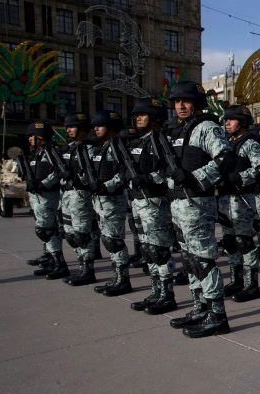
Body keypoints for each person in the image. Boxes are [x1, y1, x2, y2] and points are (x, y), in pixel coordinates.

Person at [164, 81, 235, 338]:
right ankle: (200, 307)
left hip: (197, 203)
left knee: (204, 260)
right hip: (179, 203)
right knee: (191, 260)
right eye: (177, 101)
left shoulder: (206, 127)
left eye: (186, 101)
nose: (181, 106)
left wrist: (196, 177)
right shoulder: (178, 131)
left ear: (196, 103)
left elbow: (226, 157)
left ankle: (218, 315)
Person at [126, 98, 178, 314]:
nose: (138, 118)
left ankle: (167, 295)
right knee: (147, 250)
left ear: (155, 117)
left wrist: (149, 178)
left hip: (155, 202)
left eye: (143, 114)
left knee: (159, 250)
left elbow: (169, 171)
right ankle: (156, 291)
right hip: (139, 200)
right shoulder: (139, 142)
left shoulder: (161, 141)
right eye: (137, 114)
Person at [218, 104, 260, 303]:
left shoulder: (250, 144)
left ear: (243, 122)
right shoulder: (227, 143)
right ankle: (236, 280)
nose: (227, 123)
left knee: (244, 242)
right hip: (225, 199)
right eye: (226, 119)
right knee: (230, 242)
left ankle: (251, 284)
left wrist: (240, 178)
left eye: (231, 119)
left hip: (242, 200)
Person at [86, 110, 133, 297]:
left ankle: (123, 279)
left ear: (111, 128)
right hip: (101, 200)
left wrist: (106, 186)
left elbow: (124, 173)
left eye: (100, 125)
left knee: (114, 241)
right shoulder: (103, 147)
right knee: (108, 240)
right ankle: (117, 276)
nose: (96, 129)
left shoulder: (117, 147)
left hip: (113, 200)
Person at [23, 121, 70, 280]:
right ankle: (50, 260)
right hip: (37, 197)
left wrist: (43, 183)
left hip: (48, 196)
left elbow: (58, 172)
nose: (30, 139)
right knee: (46, 231)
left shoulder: (52, 152)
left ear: (42, 137)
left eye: (33, 136)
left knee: (46, 230)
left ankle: (60, 263)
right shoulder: (36, 152)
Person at [60, 113, 98, 286]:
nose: (68, 130)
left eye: (72, 126)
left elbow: (93, 176)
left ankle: (87, 270)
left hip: (81, 196)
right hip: (67, 196)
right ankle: (81, 265)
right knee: (71, 235)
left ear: (83, 130)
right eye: (67, 127)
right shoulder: (68, 148)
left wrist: (77, 177)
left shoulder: (92, 149)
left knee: (82, 235)